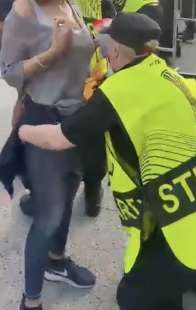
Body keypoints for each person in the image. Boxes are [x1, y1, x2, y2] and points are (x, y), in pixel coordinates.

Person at [19, 12, 196, 310]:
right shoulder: (167, 73)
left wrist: (22, 128)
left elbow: (57, 139)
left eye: (108, 45)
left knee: (131, 297)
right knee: (180, 256)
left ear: (118, 51)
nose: (105, 50)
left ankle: (182, 278)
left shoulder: (117, 93)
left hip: (186, 218)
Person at [0, 0, 96, 309]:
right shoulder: (23, 14)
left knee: (70, 189)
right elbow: (10, 70)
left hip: (77, 117)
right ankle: (31, 300)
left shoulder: (70, 2)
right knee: (49, 213)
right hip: (44, 117)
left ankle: (56, 261)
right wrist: (53, 53)